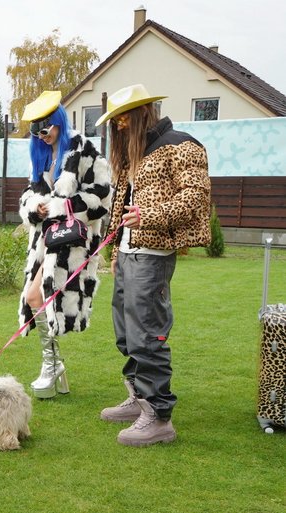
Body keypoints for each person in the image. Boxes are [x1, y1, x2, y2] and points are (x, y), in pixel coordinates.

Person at [95, 84, 211, 447]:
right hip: (128, 253)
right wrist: (115, 250)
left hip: (154, 255)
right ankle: (138, 398)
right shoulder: (134, 153)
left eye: (124, 118)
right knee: (126, 334)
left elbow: (196, 196)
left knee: (148, 335)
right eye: (116, 121)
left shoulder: (182, 144)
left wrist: (150, 215)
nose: (119, 126)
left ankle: (158, 417)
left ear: (144, 112)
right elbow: (124, 206)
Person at [18, 90, 111, 399]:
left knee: (36, 298)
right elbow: (28, 196)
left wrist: (63, 207)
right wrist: (35, 207)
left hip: (71, 243)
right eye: (34, 130)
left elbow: (102, 197)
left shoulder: (84, 151)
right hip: (46, 242)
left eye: (45, 127)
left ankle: (52, 366)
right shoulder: (42, 157)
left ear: (58, 121)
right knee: (36, 300)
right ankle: (54, 368)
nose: (41, 135)